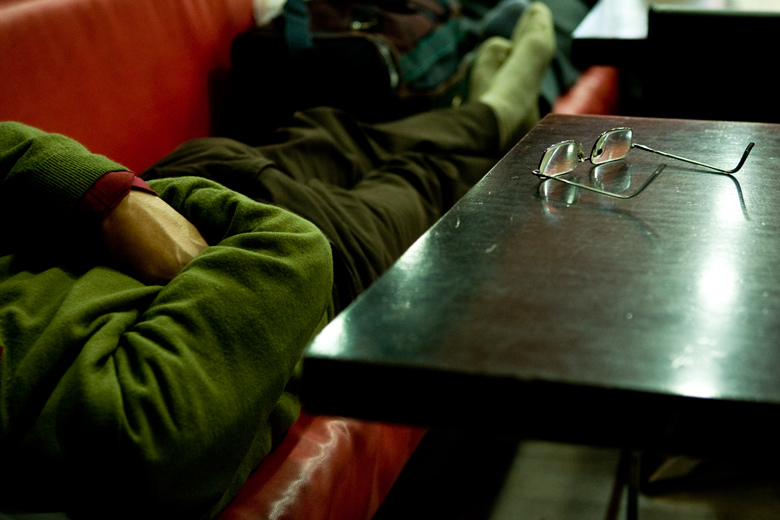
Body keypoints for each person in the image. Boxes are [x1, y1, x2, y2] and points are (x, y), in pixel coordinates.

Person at [0, 3, 555, 519]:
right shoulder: (120, 436)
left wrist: (116, 200)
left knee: (336, 134)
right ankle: (496, 114)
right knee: (424, 181)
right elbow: (294, 255)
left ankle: (487, 113)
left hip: (188, 188)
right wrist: (156, 208)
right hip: (289, 265)